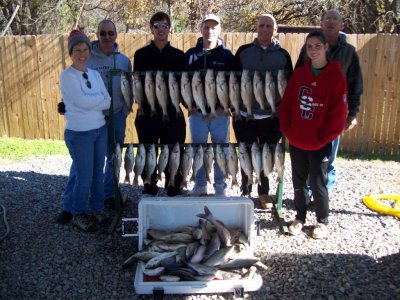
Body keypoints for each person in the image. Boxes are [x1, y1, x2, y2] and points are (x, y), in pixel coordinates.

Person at [57, 20, 132, 224]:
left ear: (116, 34)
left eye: (110, 32)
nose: (107, 36)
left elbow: (122, 92)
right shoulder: (83, 63)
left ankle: (106, 197)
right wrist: (92, 101)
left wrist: (124, 109)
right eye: (102, 33)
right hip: (86, 125)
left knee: (111, 159)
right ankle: (69, 207)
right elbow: (81, 99)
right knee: (82, 168)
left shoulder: (124, 61)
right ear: (97, 35)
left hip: (114, 116)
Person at [279, 30, 348, 239]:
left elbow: (338, 115)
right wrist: (288, 130)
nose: (313, 50)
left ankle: (322, 221)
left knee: (318, 183)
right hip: (298, 140)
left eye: (318, 46)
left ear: (326, 47)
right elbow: (287, 105)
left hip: (319, 143)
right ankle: (299, 217)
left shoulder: (336, 77)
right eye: (309, 46)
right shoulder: (300, 74)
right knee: (299, 182)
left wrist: (322, 138)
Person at [295, 9, 363, 194]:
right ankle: (309, 192)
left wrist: (353, 113)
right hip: (309, 110)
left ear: (342, 24)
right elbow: (297, 80)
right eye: (327, 19)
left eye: (335, 19)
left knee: (328, 157)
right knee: (308, 152)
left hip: (334, 113)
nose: (331, 22)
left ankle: (323, 194)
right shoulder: (308, 48)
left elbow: (355, 84)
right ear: (322, 23)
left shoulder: (349, 52)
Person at [233, 14, 293, 207]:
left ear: (275, 30)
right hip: (244, 115)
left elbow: (289, 86)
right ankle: (245, 189)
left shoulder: (283, 55)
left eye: (269, 26)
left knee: (266, 154)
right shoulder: (243, 52)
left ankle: (264, 192)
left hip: (271, 116)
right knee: (246, 152)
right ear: (256, 28)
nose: (265, 29)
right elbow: (231, 82)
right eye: (262, 25)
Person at [58, 30, 111, 232]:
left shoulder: (95, 74)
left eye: (86, 49)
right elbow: (83, 102)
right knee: (84, 176)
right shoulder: (67, 76)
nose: (82, 54)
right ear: (71, 53)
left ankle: (97, 207)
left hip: (99, 130)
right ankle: (78, 212)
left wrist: (92, 102)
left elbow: (108, 100)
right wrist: (96, 101)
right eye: (77, 50)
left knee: (98, 172)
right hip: (79, 134)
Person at [133, 11, 187, 197]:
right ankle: (149, 187)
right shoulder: (140, 55)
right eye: (157, 26)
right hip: (146, 113)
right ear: (151, 29)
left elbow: (184, 87)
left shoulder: (180, 56)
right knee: (147, 151)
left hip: (173, 114)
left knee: (174, 152)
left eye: (164, 26)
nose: (161, 30)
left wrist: (190, 105)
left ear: (170, 29)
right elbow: (138, 86)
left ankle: (174, 187)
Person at [185, 13, 234, 196]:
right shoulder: (190, 55)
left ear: (219, 30)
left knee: (220, 150)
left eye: (214, 27)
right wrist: (188, 105)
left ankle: (220, 186)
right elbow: (182, 84)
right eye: (206, 27)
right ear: (201, 29)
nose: (210, 31)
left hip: (220, 114)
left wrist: (226, 104)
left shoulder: (228, 56)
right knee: (198, 149)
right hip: (197, 113)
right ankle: (200, 185)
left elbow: (234, 85)